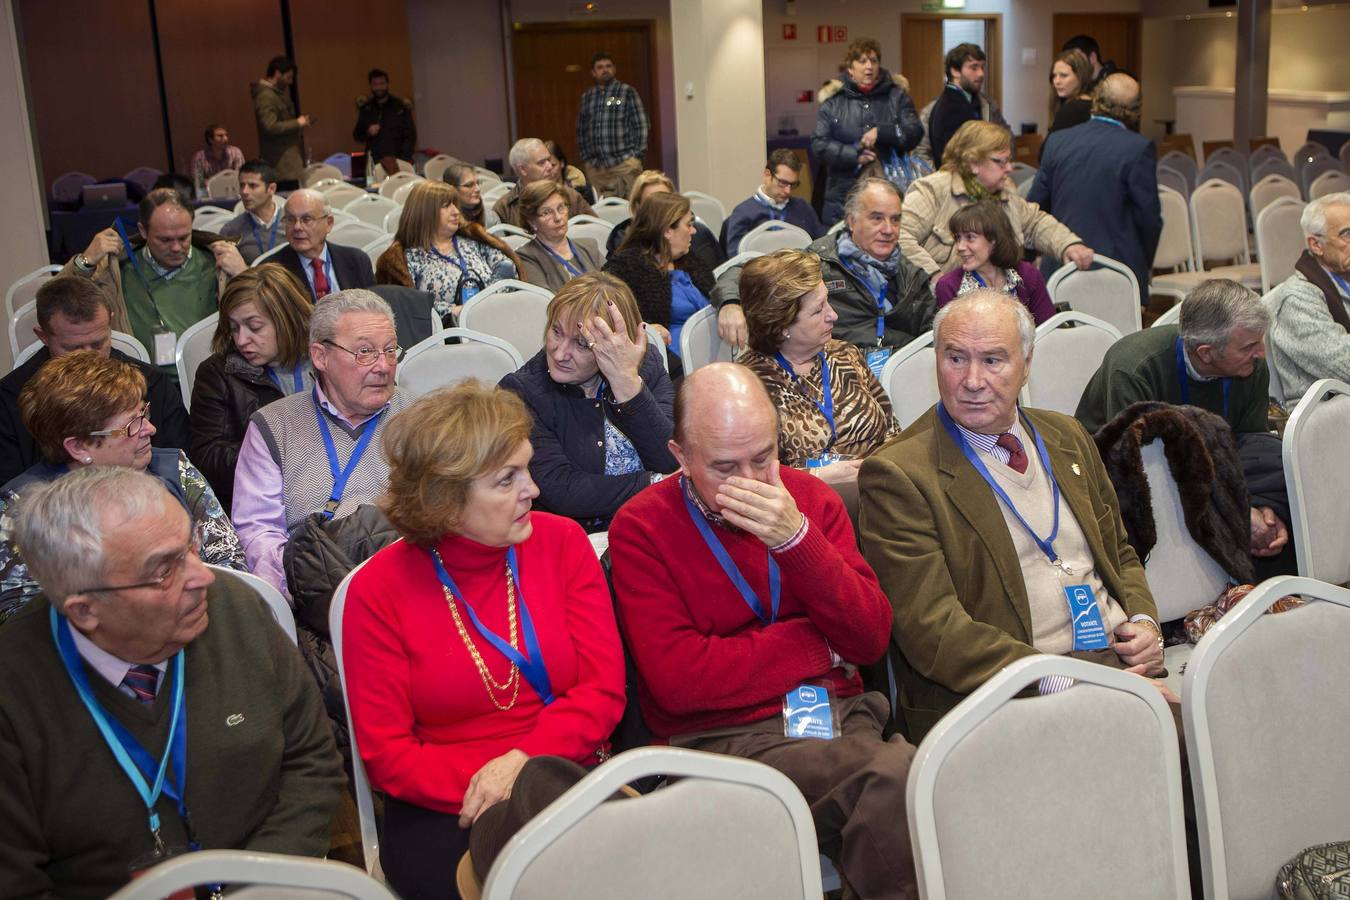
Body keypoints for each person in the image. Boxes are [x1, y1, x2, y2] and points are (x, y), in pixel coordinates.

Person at [609, 362, 918, 900]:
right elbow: (680, 683)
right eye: (725, 467)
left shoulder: (812, 502)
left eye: (763, 459)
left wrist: (797, 540)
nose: (752, 484)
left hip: (840, 720)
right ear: (679, 456)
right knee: (893, 778)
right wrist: (819, 645)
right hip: (722, 741)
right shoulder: (641, 528)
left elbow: (868, 638)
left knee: (918, 783)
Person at [0, 466, 344, 898]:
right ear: (85, 610)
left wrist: (255, 888)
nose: (203, 577)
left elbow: (312, 762)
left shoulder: (237, 611)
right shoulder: (13, 691)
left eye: (191, 546)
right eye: (165, 570)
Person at [342, 381, 625, 897]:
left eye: (528, 469)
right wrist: (486, 784)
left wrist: (523, 767)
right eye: (506, 480)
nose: (533, 490)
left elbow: (603, 693)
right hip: (446, 805)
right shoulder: (376, 591)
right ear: (444, 501)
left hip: (566, 769)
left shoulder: (562, 544)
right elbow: (388, 754)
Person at [857, 290, 1166, 743]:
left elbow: (1119, 552)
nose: (972, 380)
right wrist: (1074, 683)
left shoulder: (1068, 436)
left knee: (1220, 741)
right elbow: (933, 631)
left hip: (1114, 662)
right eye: (956, 358)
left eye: (993, 360)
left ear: (1026, 363)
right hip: (1010, 693)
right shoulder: (900, 475)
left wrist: (1145, 624)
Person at [0, 351, 245, 625]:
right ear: (79, 447)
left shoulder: (175, 469)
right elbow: (18, 617)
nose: (150, 428)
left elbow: (230, 561)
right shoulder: (19, 509)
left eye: (144, 412)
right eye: (132, 425)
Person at [1075, 279, 1290, 563]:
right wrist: (1234, 510)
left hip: (1216, 467)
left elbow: (1253, 446)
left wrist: (1261, 508)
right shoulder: (1134, 369)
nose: (1261, 353)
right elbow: (1135, 467)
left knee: (1280, 464)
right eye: (1249, 346)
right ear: (1206, 353)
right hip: (1133, 474)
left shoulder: (1251, 366)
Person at [232, 290, 409, 597]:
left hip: (407, 584)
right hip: (312, 594)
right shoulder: (273, 426)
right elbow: (259, 532)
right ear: (320, 356)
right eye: (365, 351)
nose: (383, 366)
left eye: (390, 350)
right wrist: (291, 600)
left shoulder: (422, 419)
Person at [500, 273, 674, 530]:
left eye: (582, 345)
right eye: (556, 331)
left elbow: (669, 458)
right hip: (580, 536)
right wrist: (655, 483)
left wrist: (626, 384)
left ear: (615, 343)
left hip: (654, 521)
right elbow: (562, 489)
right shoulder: (521, 392)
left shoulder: (645, 366)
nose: (560, 353)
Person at [0, 277, 189, 485]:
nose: (91, 357)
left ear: (111, 322)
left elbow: (179, 459)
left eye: (99, 343)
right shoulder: (10, 399)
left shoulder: (152, 382)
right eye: (74, 348)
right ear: (43, 336)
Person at [736, 249, 898, 486]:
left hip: (879, 489)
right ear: (782, 325)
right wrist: (816, 477)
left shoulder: (844, 354)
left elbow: (892, 428)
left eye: (827, 302)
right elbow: (749, 478)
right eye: (818, 309)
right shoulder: (748, 386)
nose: (833, 315)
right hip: (804, 505)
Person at [61, 188, 246, 372]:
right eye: (164, 240)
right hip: (138, 381)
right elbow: (51, 306)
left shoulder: (219, 262)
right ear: (143, 230)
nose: (175, 247)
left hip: (212, 379)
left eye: (183, 238)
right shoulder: (118, 266)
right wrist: (84, 262)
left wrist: (243, 274)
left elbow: (266, 311)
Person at [190, 264, 315, 513]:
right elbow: (208, 460)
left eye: (254, 327)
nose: (241, 340)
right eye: (234, 327)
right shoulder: (218, 373)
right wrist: (282, 451)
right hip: (261, 506)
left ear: (287, 319)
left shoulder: (329, 359)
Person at [900, 120, 1092, 282]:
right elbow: (901, 238)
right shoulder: (933, 190)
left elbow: (1035, 222)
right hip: (942, 305)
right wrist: (935, 278)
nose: (1009, 168)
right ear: (973, 163)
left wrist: (1069, 244)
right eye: (1001, 161)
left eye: (1009, 160)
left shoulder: (1004, 191)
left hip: (998, 302)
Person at [1029, 73, 1161, 304]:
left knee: (1063, 337)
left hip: (1061, 267)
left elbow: (1036, 205)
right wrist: (1143, 263)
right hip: (1117, 270)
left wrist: (1032, 257)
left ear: (1096, 99)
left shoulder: (1058, 141)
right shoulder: (1137, 148)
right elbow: (1148, 218)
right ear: (1135, 110)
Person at [802, 178, 934, 364]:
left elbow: (931, 337)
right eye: (877, 218)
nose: (889, 229)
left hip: (899, 375)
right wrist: (743, 308)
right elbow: (755, 276)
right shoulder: (820, 263)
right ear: (852, 221)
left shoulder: (913, 277)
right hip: (837, 373)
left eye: (895, 220)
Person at [376, 180, 521, 325]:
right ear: (425, 212)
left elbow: (506, 266)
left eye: (455, 205)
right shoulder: (406, 259)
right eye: (446, 206)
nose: (456, 211)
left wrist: (484, 304)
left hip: (495, 321)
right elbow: (410, 306)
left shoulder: (473, 242)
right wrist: (455, 311)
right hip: (444, 336)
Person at [811, 37, 923, 226]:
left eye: (874, 60)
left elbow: (914, 132)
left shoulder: (897, 95)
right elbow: (819, 144)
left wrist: (882, 132)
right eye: (862, 61)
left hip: (891, 190)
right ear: (850, 68)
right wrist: (854, 155)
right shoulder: (834, 100)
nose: (869, 66)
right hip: (843, 195)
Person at [603, 191, 714, 361]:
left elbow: (720, 290)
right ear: (668, 230)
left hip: (711, 350)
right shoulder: (627, 267)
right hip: (669, 362)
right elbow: (605, 309)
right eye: (688, 225)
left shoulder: (692, 261)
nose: (693, 230)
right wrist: (642, 329)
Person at [1263, 192, 1350, 404]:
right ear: (1316, 245)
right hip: (1323, 419)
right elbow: (1345, 364)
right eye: (1347, 234)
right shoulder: (1296, 299)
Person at [935, 201, 1055, 324]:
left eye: (970, 237)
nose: (960, 247)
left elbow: (1049, 330)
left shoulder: (1028, 275)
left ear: (994, 240)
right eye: (958, 238)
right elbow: (953, 341)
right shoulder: (949, 287)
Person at [604, 169, 725, 274]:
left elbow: (721, 274)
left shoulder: (698, 234)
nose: (661, 208)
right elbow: (609, 299)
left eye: (665, 200)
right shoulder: (624, 250)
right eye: (651, 203)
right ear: (637, 207)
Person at [273, 189, 376, 302]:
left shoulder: (356, 260)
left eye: (306, 219)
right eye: (290, 219)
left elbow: (373, 309)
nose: (297, 227)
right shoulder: (272, 270)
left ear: (329, 223)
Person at [720, 149, 824, 255]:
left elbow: (821, 248)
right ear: (767, 175)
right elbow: (736, 260)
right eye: (783, 183)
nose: (788, 191)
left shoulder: (803, 208)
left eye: (792, 185)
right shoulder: (743, 212)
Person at [575, 52, 649, 199]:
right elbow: (581, 128)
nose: (605, 70)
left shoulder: (626, 92)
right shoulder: (587, 97)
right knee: (602, 209)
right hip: (597, 167)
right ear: (593, 72)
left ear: (614, 69)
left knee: (633, 205)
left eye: (608, 66)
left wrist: (636, 155)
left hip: (624, 163)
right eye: (600, 67)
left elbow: (641, 123)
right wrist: (587, 157)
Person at [925, 43, 1010, 168]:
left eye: (982, 67)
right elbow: (960, 158)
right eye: (974, 68)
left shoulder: (975, 101)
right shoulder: (950, 107)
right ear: (955, 71)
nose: (981, 74)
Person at [515, 181, 604, 292]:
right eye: (546, 212)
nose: (558, 217)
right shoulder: (526, 257)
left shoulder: (589, 246)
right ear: (532, 221)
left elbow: (612, 285)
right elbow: (544, 301)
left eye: (561, 207)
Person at [492, 138, 595, 229]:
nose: (550, 166)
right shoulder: (504, 208)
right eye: (541, 163)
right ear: (522, 170)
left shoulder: (571, 196)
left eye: (549, 160)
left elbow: (598, 230)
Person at [251, 55, 310, 187]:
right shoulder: (266, 96)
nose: (290, 82)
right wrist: (297, 123)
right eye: (288, 77)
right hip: (281, 166)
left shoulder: (275, 94)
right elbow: (270, 126)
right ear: (277, 73)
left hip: (288, 164)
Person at [353, 67, 417, 177]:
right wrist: (368, 132)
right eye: (375, 84)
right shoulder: (366, 108)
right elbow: (357, 135)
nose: (379, 87)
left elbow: (411, 135)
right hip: (375, 162)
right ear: (371, 86)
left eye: (381, 83)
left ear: (387, 84)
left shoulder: (400, 107)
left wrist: (403, 160)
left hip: (399, 161)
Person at [220, 160, 285, 263]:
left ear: (271, 189)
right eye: (242, 185)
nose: (244, 192)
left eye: (252, 186)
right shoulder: (231, 231)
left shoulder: (292, 222)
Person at [1047, 49, 1095, 137]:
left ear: (1080, 77)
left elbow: (1049, 148)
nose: (1056, 81)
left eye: (1064, 75)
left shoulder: (1071, 109)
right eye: (1054, 76)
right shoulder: (1095, 104)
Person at [188, 123, 245, 190]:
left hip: (233, 190)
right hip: (210, 193)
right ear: (210, 139)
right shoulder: (199, 157)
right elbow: (198, 182)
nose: (225, 139)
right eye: (220, 136)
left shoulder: (235, 152)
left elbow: (241, 175)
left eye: (226, 135)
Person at [445, 162, 500, 229]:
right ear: (452, 189)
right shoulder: (442, 221)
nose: (477, 189)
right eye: (469, 185)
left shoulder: (491, 218)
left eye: (478, 183)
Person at [544, 138, 596, 205]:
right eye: (544, 166)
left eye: (553, 165)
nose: (549, 169)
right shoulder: (538, 191)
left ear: (562, 163)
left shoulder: (578, 186)